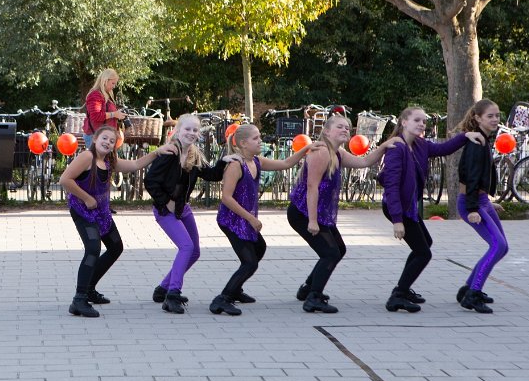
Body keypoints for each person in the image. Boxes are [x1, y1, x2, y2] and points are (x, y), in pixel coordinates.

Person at [59, 125, 175, 318]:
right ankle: (78, 300)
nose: (108, 143)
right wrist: (87, 198)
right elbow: (65, 179)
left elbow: (136, 164)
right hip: (83, 210)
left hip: (101, 212)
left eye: (112, 141)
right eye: (104, 138)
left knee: (115, 247)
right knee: (93, 249)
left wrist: (158, 152)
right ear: (95, 139)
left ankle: (89, 289)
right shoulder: (87, 157)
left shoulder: (110, 161)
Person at [288, 114, 399, 313]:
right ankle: (313, 298)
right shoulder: (321, 151)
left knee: (339, 248)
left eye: (347, 127)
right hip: (303, 212)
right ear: (327, 131)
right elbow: (312, 186)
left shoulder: (337, 152)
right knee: (330, 253)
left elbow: (364, 162)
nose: (345, 130)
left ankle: (307, 289)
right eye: (340, 127)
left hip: (318, 212)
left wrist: (383, 147)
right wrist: (312, 221)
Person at [378, 107, 485, 313]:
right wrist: (397, 220)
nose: (421, 124)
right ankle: (397, 296)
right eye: (417, 120)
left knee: (424, 244)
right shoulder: (397, 148)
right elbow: (390, 187)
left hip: (408, 208)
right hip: (397, 208)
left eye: (424, 121)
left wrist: (466, 136)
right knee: (423, 253)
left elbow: (443, 149)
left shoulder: (420, 145)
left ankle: (404, 288)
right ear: (404, 122)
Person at [211, 124, 321, 316]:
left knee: (259, 248)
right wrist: (251, 218)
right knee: (250, 262)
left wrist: (305, 149)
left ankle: (236, 289)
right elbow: (226, 198)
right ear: (243, 144)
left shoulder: (257, 161)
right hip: (231, 221)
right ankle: (222, 299)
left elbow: (286, 163)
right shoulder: (235, 166)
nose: (260, 140)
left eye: (259, 137)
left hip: (245, 220)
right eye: (256, 138)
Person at [143, 113, 233, 314]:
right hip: (165, 210)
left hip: (183, 209)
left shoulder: (194, 154)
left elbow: (212, 175)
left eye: (195, 130)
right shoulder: (169, 152)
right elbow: (150, 181)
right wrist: (167, 202)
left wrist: (224, 161)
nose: (191, 133)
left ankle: (163, 288)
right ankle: (172, 294)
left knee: (194, 251)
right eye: (187, 129)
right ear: (177, 131)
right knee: (186, 246)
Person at [455, 99, 509, 314]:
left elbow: (481, 178)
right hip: (473, 203)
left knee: (501, 246)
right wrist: (473, 208)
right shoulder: (477, 143)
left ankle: (468, 288)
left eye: (497, 115)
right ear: (477, 118)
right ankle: (472, 294)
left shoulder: (483, 139)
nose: (495, 119)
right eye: (490, 116)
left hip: (482, 201)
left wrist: (488, 202)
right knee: (499, 247)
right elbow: (470, 177)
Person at [82, 69, 126, 149]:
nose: (113, 86)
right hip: (96, 136)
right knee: (99, 161)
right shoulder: (95, 95)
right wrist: (114, 114)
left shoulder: (105, 95)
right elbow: (96, 115)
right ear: (105, 80)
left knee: (106, 161)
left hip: (103, 137)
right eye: (113, 83)